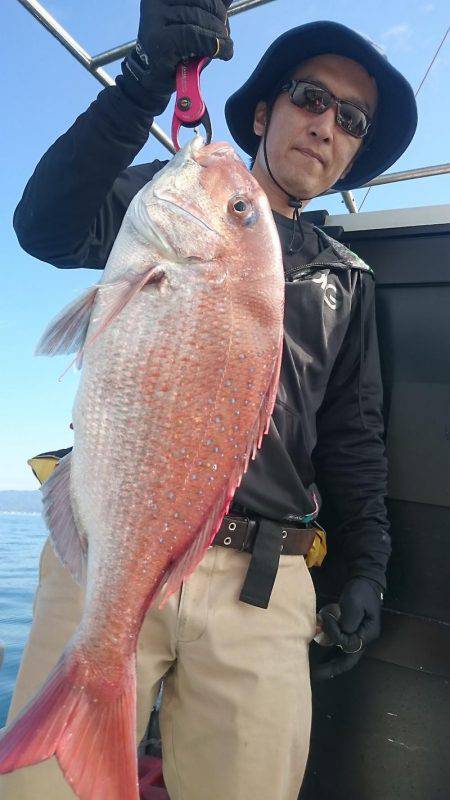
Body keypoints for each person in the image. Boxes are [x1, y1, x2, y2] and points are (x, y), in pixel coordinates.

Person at [1, 3, 417, 799]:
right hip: (107, 550)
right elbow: (45, 227)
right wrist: (143, 85)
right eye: (310, 97)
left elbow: (355, 439)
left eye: (353, 120)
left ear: (355, 150)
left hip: (263, 586)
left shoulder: (346, 282)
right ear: (264, 111)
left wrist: (366, 571)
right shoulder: (167, 209)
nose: (327, 125)